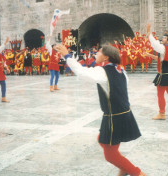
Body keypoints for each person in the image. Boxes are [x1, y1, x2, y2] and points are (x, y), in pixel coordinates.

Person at [56, 44, 146, 176]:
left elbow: (81, 72)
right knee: (102, 140)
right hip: (124, 114)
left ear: (106, 57)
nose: (95, 54)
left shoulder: (102, 71)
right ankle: (124, 168)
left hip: (113, 118)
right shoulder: (121, 71)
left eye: (98, 52)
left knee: (110, 156)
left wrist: (67, 56)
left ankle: (137, 173)